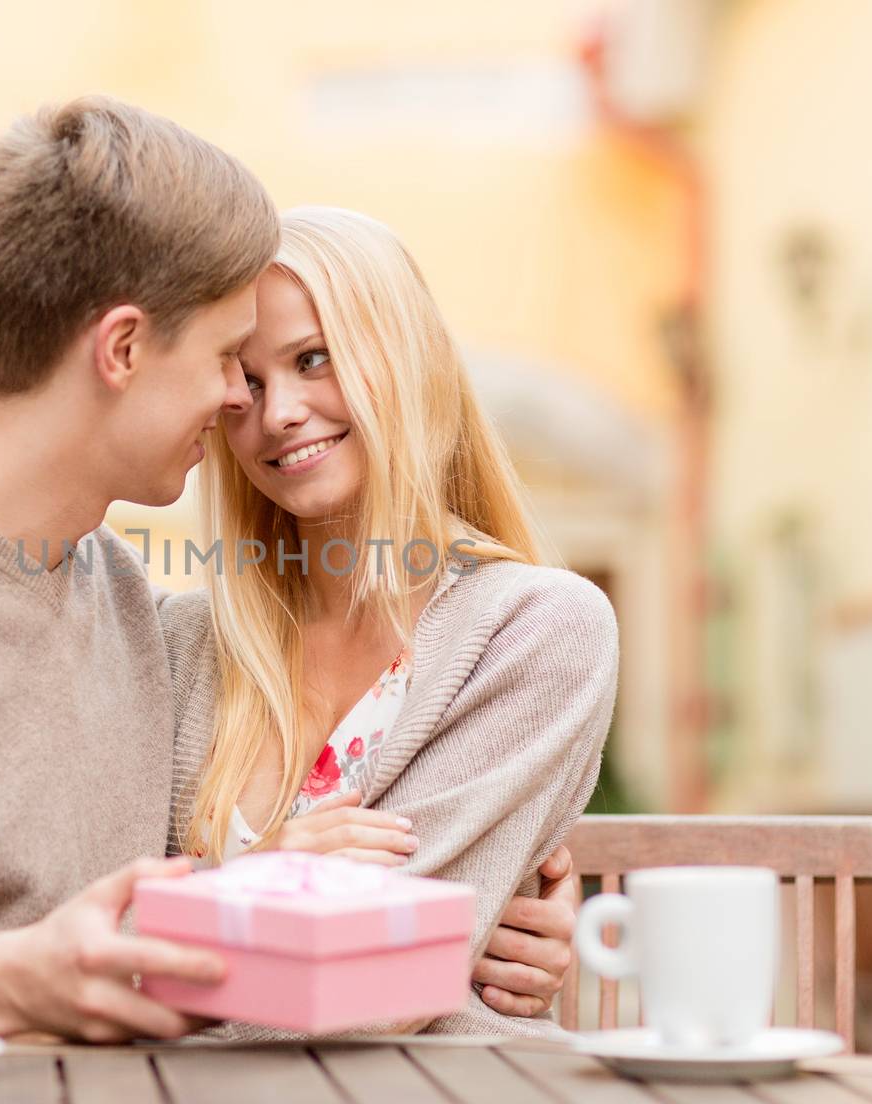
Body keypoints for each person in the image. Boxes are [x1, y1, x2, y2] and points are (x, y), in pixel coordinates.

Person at [0, 99, 577, 1042]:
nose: (241, 403)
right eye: (226, 362)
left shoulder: (124, 603)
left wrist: (471, 932)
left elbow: (161, 902)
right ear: (122, 349)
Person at [161, 207, 618, 1035]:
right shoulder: (183, 644)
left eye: (314, 360)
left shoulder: (540, 630)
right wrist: (259, 887)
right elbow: (77, 932)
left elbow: (382, 997)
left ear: (403, 361)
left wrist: (190, 935)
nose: (279, 414)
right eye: (247, 384)